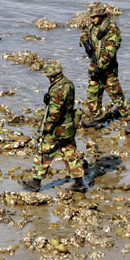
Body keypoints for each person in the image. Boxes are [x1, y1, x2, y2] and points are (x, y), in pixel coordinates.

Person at [18, 59, 85, 192]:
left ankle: (35, 182)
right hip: (68, 126)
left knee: (43, 152)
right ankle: (79, 182)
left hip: (57, 129)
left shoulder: (58, 88)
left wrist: (46, 128)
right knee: (70, 153)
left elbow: (54, 113)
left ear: (51, 75)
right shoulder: (68, 83)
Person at [79, 2, 130, 134]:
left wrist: (101, 66)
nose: (92, 19)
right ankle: (96, 118)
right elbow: (84, 34)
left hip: (108, 68)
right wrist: (85, 43)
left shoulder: (112, 29)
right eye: (91, 17)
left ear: (102, 15)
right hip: (95, 64)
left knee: (115, 94)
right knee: (93, 93)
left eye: (95, 17)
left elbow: (110, 50)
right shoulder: (93, 25)